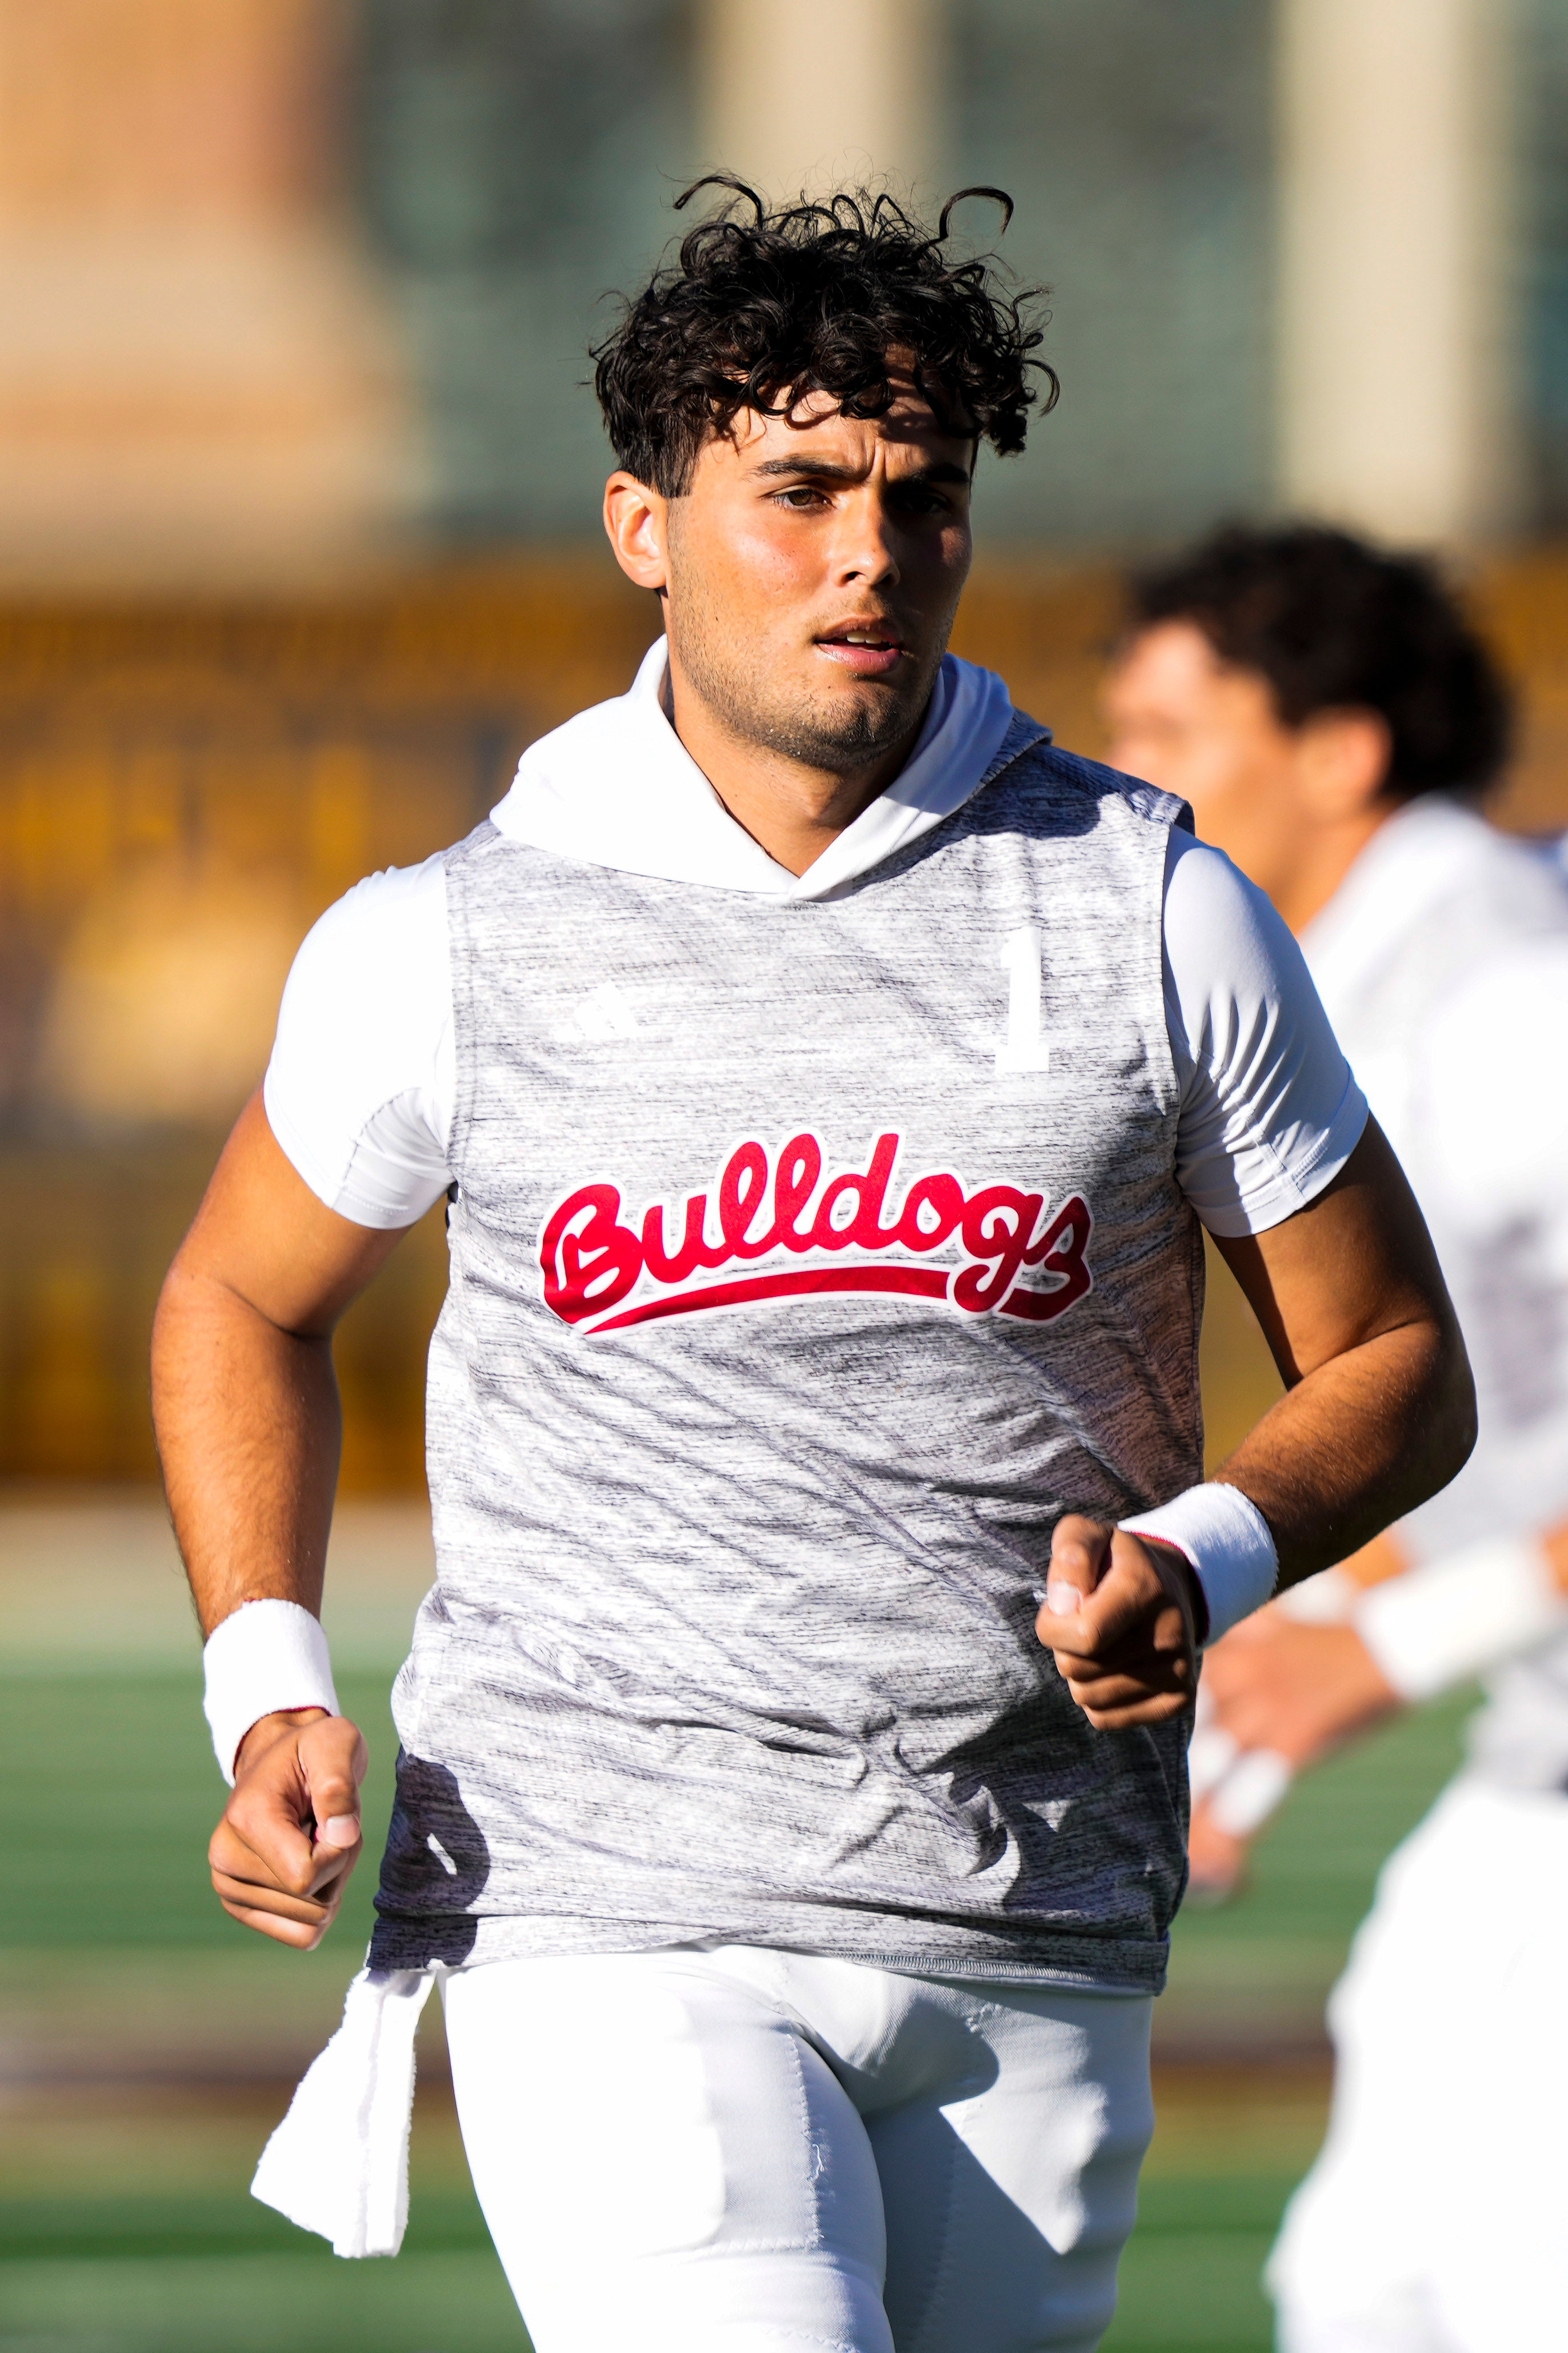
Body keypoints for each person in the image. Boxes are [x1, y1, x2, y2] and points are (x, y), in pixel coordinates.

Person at [151, 190, 1473, 2353]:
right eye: (799, 490)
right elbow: (238, 1297)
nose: (871, 548)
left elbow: (1401, 1358)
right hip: (605, 1903)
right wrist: (266, 1678)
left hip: (1034, 1910)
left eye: (920, 494)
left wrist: (1209, 1556)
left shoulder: (1154, 905)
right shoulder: (451, 935)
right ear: (643, 525)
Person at [1105, 522, 1568, 2353]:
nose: (1117, 777)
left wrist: (1391, 1645)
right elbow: (1511, 1431)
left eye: (1163, 730)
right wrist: (1265, 1665)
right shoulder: (1377, 975)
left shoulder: (1510, 1001)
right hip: (1534, 1790)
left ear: (1338, 754)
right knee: (1366, 2291)